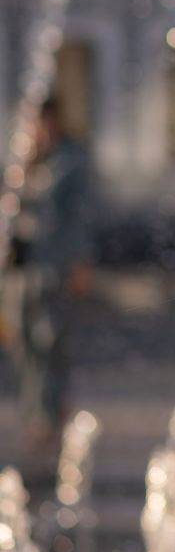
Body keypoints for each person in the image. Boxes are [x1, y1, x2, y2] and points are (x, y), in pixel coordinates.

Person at [4, 97, 93, 454]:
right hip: (18, 271)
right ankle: (34, 415)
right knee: (22, 344)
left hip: (53, 267)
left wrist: (80, 261)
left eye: (41, 122)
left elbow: (80, 216)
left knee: (49, 341)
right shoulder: (20, 160)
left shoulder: (70, 161)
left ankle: (50, 417)